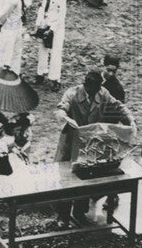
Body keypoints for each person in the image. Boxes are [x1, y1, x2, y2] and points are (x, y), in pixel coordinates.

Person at [54, 70, 134, 226]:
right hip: (70, 143)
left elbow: (117, 106)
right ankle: (63, 215)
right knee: (66, 180)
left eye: (97, 89)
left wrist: (129, 118)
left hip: (89, 144)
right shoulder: (73, 93)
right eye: (91, 90)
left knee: (86, 178)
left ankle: (79, 212)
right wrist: (66, 118)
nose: (95, 92)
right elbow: (61, 108)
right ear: (85, 85)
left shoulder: (103, 93)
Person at [32, 0, 67, 91]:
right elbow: (42, 9)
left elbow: (61, 15)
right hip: (45, 24)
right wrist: (38, 24)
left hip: (56, 27)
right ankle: (41, 73)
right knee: (42, 49)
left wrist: (52, 29)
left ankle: (55, 79)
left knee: (56, 52)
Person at [0, 0, 32, 75]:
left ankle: (14, 73)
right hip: (9, 27)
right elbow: (5, 13)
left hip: (17, 26)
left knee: (16, 52)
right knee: (4, 51)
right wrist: (0, 23)